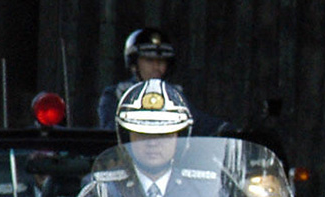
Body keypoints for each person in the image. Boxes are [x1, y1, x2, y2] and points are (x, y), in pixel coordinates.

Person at [70, 79, 240, 197]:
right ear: (127, 137)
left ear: (180, 137)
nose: (153, 143)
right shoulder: (101, 190)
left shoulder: (208, 190)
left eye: (164, 134)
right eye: (142, 134)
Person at [96, 27, 229, 135]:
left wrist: (225, 129)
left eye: (161, 61)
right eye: (149, 60)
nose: (156, 67)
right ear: (134, 64)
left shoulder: (175, 97)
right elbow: (113, 135)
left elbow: (199, 122)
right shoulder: (117, 96)